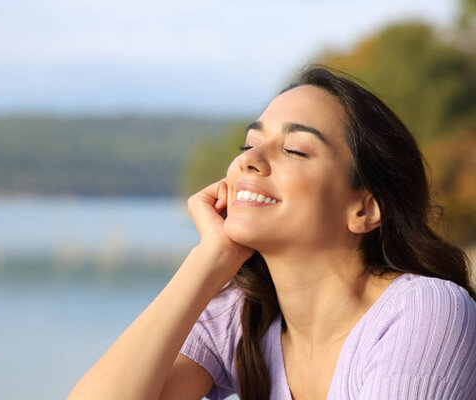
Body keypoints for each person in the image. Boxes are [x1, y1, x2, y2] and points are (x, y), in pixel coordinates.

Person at [67, 67, 476, 400]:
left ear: (364, 209)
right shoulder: (240, 319)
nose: (249, 161)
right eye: (249, 144)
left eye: (295, 149)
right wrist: (206, 263)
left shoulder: (424, 309)